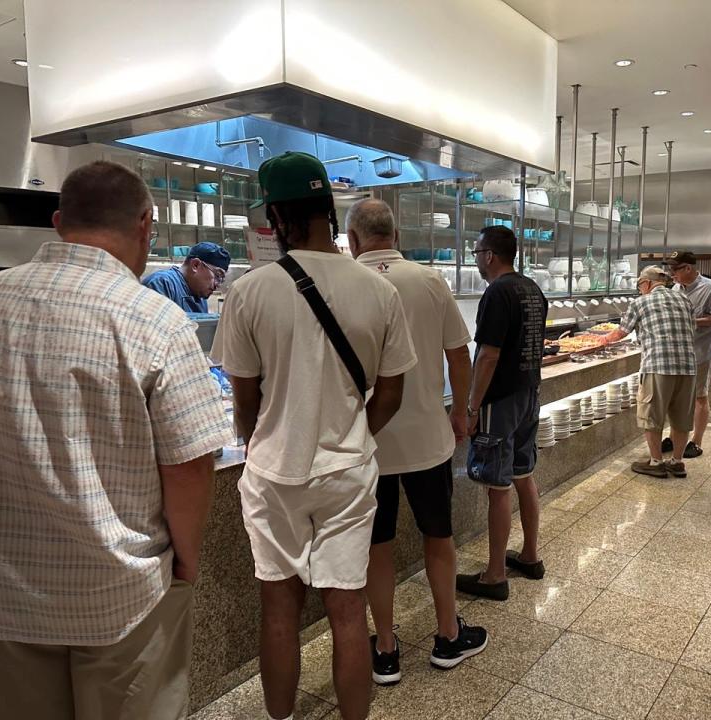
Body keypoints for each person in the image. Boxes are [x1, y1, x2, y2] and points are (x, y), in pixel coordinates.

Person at [0, 161, 231, 720]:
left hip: (4, 592)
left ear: (60, 221)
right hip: (124, 596)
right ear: (146, 226)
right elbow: (190, 465)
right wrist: (185, 562)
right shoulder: (155, 321)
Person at [215, 152, 417, 720]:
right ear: (329, 210)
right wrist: (354, 433)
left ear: (275, 218)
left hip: (275, 471)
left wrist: (264, 439)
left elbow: (245, 400)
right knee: (349, 612)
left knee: (278, 609)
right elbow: (392, 392)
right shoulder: (379, 291)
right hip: (349, 473)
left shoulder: (250, 292)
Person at [347, 198, 488, 684]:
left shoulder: (345, 283)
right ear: (397, 236)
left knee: (377, 546)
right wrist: (462, 411)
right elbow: (459, 357)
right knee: (438, 536)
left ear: (352, 239)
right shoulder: (429, 281)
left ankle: (385, 649)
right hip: (428, 437)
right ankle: (448, 636)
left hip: (369, 440)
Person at [456, 225, 548, 601]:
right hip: (529, 393)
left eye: (477, 252)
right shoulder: (532, 288)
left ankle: (495, 575)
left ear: (490, 255)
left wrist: (472, 406)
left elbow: (489, 355)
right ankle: (529, 556)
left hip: (501, 400)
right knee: (524, 476)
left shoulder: (496, 293)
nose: (476, 259)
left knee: (497, 487)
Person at [601, 266, 696, 479]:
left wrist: (602, 339)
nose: (639, 290)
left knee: (651, 415)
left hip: (658, 365)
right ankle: (677, 462)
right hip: (688, 366)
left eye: (639, 286)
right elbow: (692, 329)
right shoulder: (685, 300)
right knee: (682, 417)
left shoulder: (640, 302)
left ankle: (656, 462)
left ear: (646, 283)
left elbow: (621, 332)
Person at [665, 250, 711, 458]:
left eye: (675, 269)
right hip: (678, 350)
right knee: (676, 396)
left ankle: (697, 441)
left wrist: (692, 321)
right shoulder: (675, 288)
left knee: (699, 396)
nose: (671, 273)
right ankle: (675, 437)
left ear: (688, 268)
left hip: (701, 350)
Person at [143, 241, 231, 313]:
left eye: (221, 280)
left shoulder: (199, 295)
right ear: (195, 265)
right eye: (217, 276)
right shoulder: (161, 284)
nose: (217, 284)